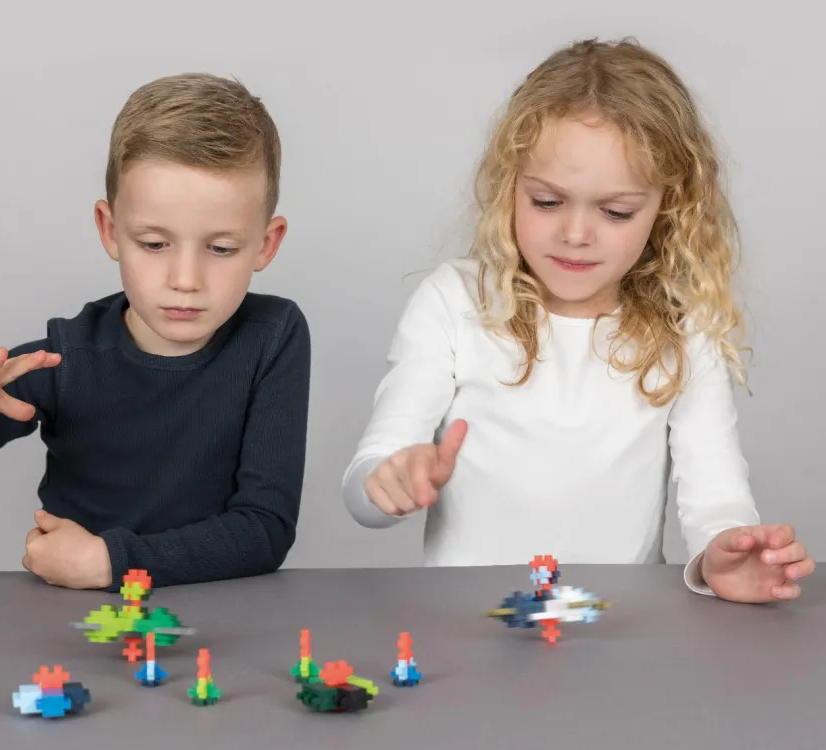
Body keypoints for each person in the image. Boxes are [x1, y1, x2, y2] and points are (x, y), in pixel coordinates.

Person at [341, 38, 814, 603]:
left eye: (615, 212)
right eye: (547, 202)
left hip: (620, 626)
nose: (575, 234)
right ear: (510, 185)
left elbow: (716, 497)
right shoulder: (454, 302)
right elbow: (368, 483)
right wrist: (388, 482)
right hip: (471, 624)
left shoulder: (684, 328)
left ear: (667, 206)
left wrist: (725, 554)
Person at [0, 73, 311, 592]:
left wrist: (113, 563)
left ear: (266, 244)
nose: (186, 280)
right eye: (154, 244)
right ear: (110, 231)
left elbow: (264, 530)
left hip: (221, 622)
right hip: (82, 624)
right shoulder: (60, 363)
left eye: (221, 249)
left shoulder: (272, 336)